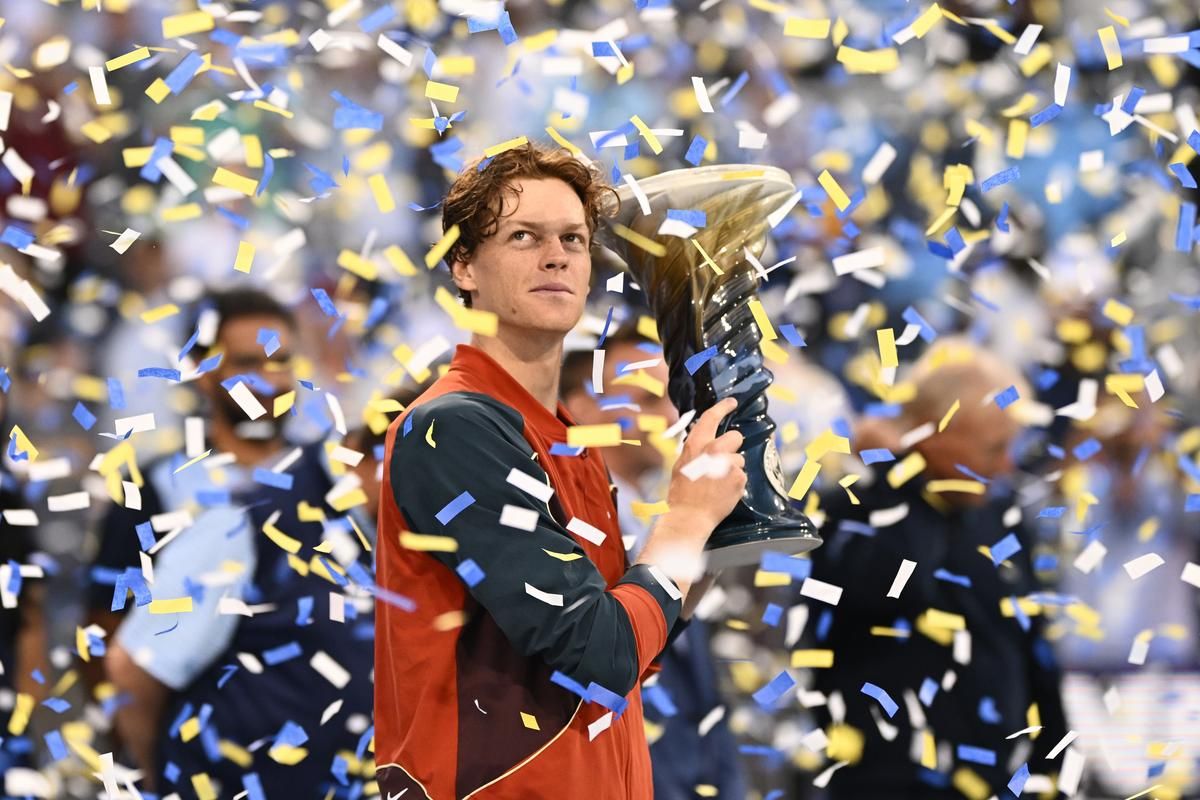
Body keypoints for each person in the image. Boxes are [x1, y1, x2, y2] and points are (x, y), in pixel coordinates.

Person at [374, 141, 747, 798]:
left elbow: (635, 650)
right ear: (463, 264)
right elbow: (599, 656)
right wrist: (685, 520)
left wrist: (719, 526)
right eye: (524, 236)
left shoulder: (568, 437)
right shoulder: (454, 427)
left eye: (574, 239)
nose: (557, 255)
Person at [98, 288, 375, 798]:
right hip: (215, 770)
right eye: (248, 362)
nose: (269, 381)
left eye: (281, 361)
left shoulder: (334, 479)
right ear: (202, 371)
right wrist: (135, 773)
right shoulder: (153, 490)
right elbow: (110, 638)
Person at [804, 337, 1068, 799]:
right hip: (886, 785)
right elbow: (897, 587)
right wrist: (903, 475)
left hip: (1001, 782)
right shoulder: (850, 512)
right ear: (930, 433)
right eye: (992, 450)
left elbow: (1033, 652)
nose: (1005, 466)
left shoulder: (1000, 519)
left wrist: (1056, 771)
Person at [560, 326, 746, 799]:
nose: (667, 416)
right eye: (643, 401)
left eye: (670, 399)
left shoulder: (674, 519)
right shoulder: (561, 530)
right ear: (579, 411)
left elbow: (701, 694)